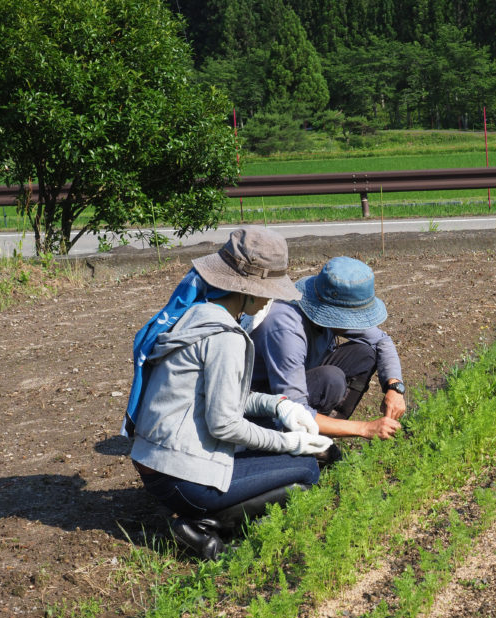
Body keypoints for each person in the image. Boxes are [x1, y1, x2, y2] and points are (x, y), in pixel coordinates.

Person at [125, 226, 333, 560]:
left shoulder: (196, 313)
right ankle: (208, 528)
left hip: (156, 463)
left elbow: (228, 394)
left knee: (280, 455)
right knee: (307, 470)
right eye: (268, 289)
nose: (272, 298)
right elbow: (225, 424)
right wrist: (290, 443)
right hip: (182, 477)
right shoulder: (226, 337)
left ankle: (202, 518)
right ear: (247, 290)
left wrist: (279, 406)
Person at [250, 256, 403, 442]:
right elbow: (293, 406)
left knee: (363, 355)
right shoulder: (286, 326)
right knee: (330, 379)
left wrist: (394, 387)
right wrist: (364, 428)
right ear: (330, 310)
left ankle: (326, 437)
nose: (355, 324)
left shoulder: (332, 300)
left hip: (302, 372)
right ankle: (302, 443)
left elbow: (381, 340)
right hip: (264, 401)